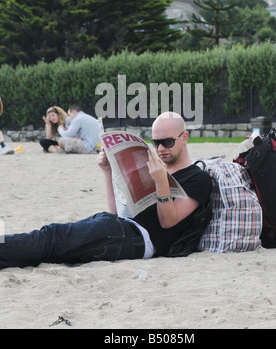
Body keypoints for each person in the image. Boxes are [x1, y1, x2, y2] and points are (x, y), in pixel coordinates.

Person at [0, 112, 212, 269]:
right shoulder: (156, 166)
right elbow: (116, 213)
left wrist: (162, 185)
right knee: (53, 246)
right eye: (156, 142)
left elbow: (168, 222)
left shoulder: (197, 178)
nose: (160, 149)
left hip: (139, 239)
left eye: (167, 142)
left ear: (184, 137)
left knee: (53, 237)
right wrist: (108, 172)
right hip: (119, 227)